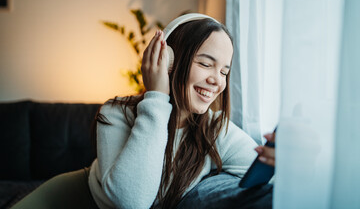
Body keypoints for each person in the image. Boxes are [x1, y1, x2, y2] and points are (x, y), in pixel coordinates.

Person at [11, 13, 275, 209]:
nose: (217, 80)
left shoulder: (216, 129)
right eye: (206, 64)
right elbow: (131, 201)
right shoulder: (116, 113)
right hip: (74, 199)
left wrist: (284, 162)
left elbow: (264, 183)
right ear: (169, 61)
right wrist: (157, 96)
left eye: (224, 71)